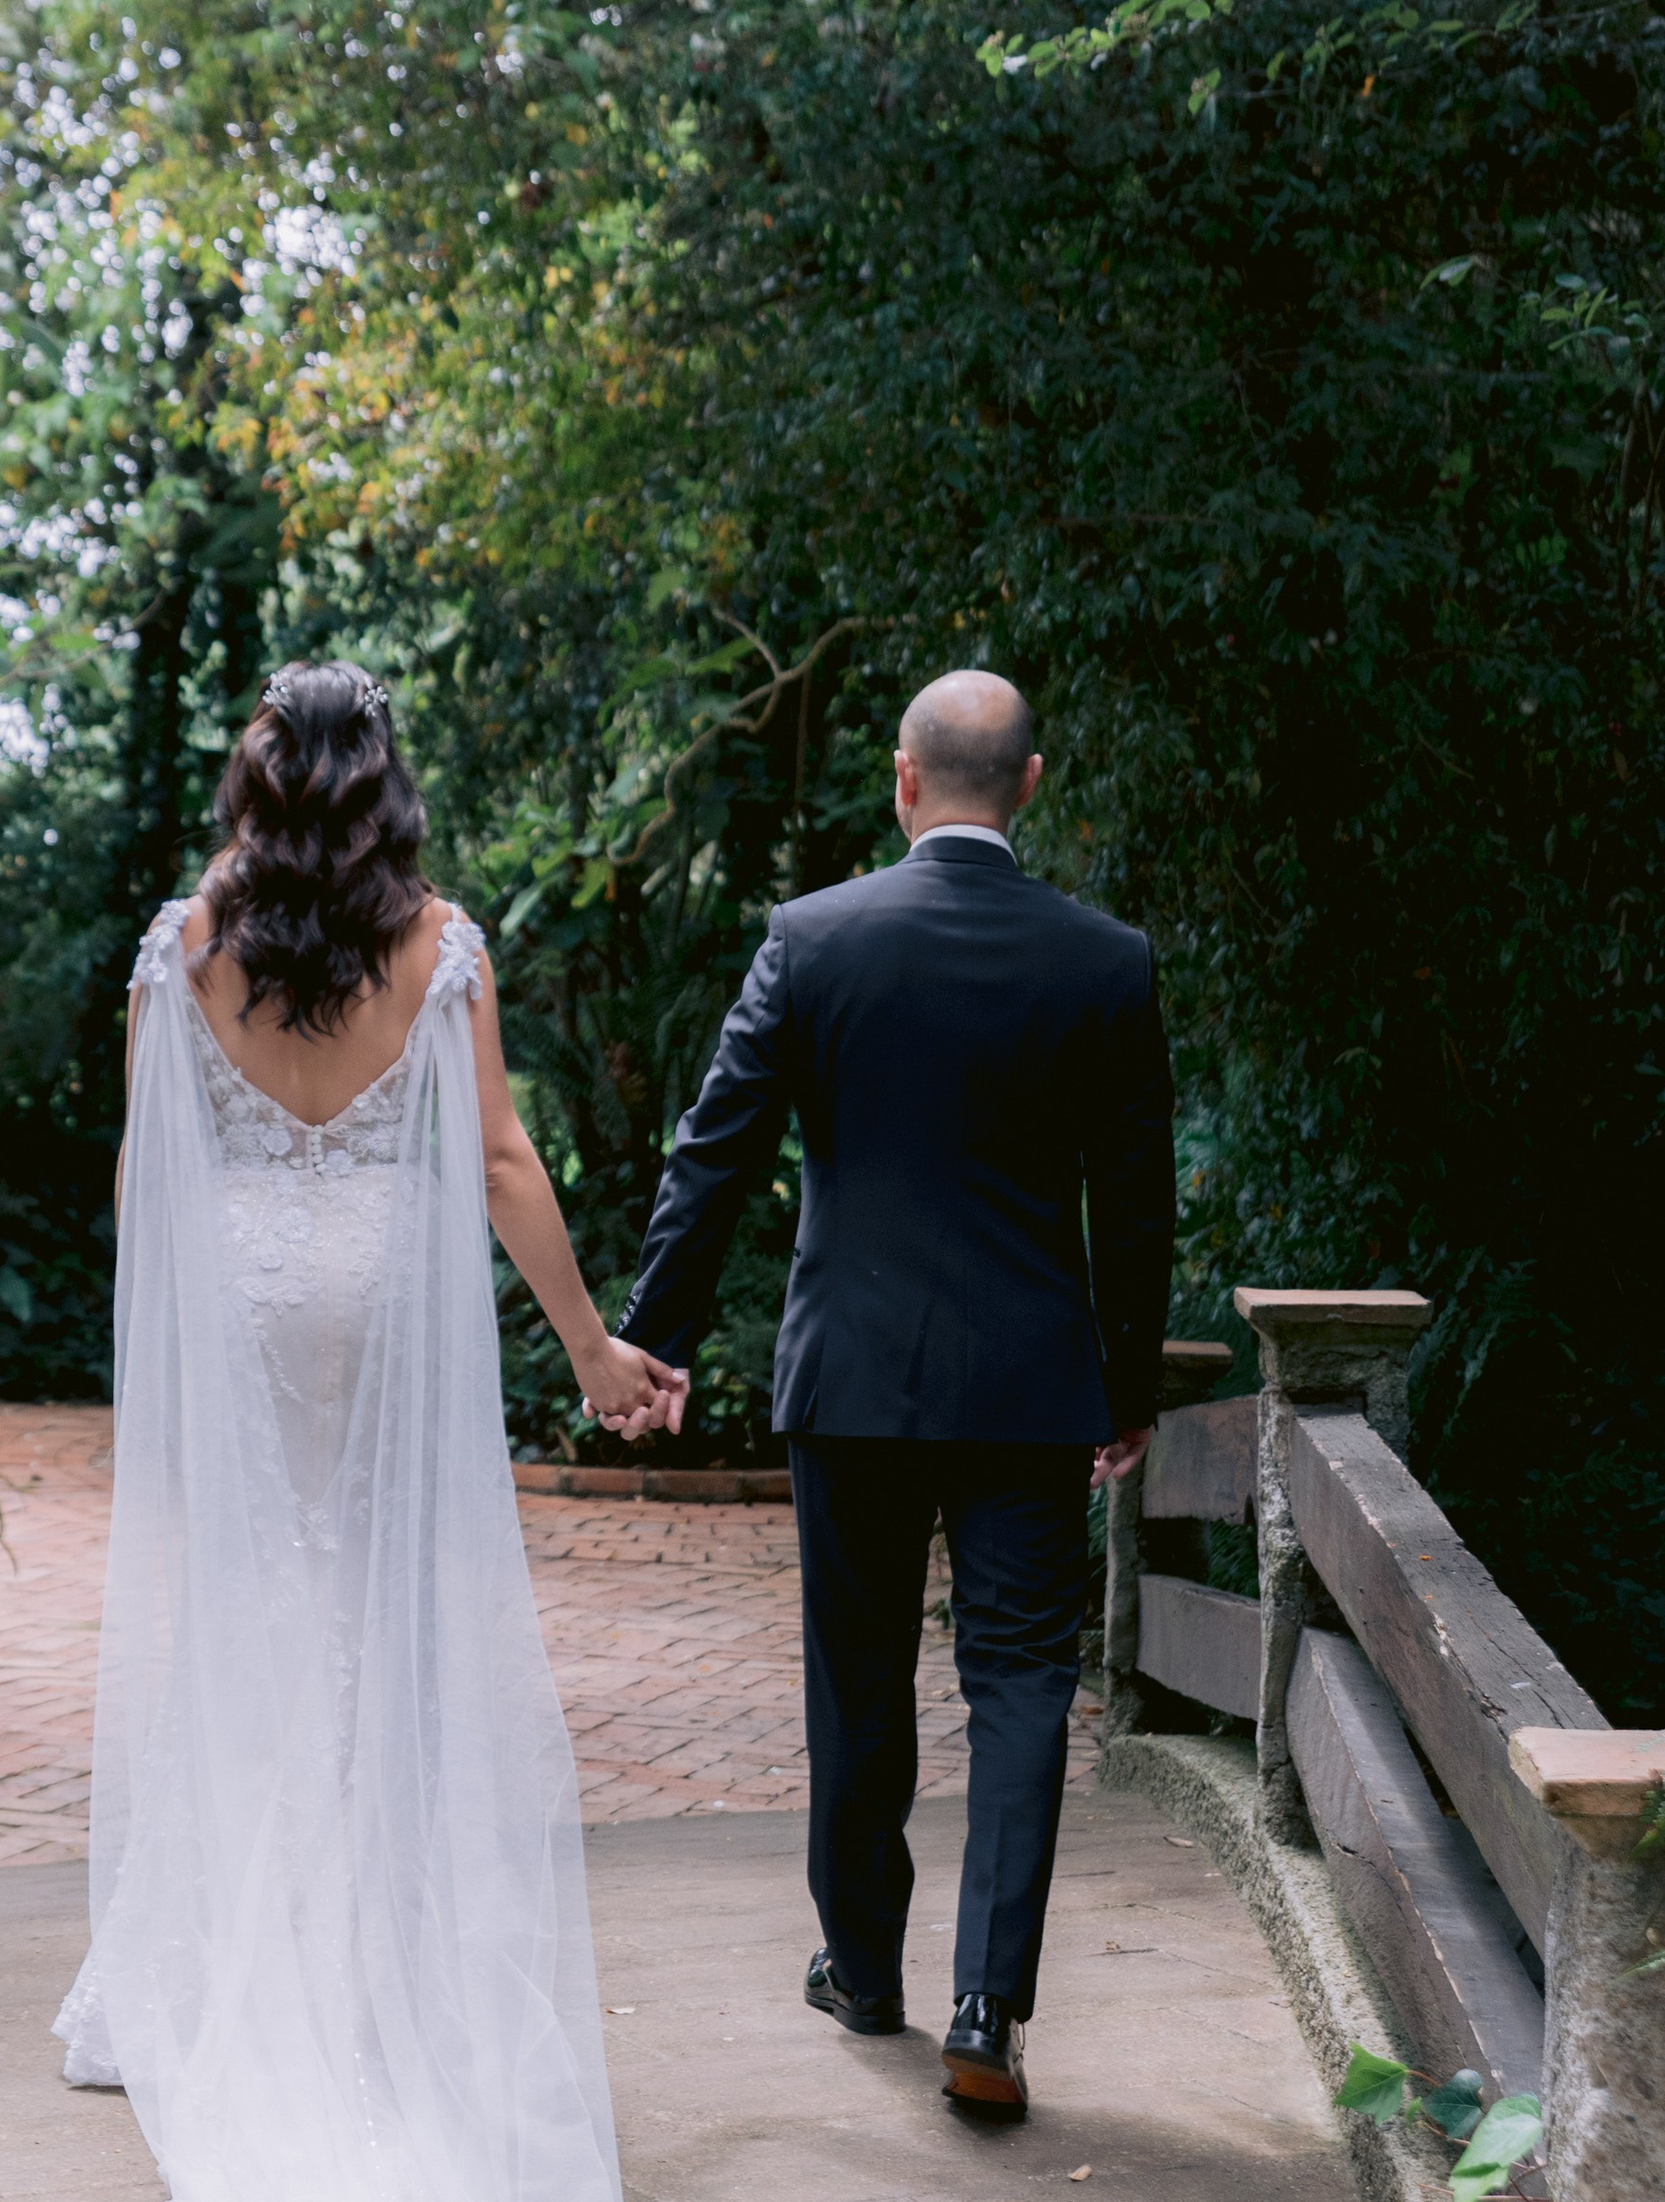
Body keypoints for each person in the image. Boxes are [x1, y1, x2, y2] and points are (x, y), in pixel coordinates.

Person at [57, 660, 686, 2202]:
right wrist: (594, 1347)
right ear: (382, 782)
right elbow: (499, 1160)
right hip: (385, 1313)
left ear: (256, 783)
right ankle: (387, 1961)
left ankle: (247, 1951)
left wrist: (167, 1365)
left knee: (259, 1613)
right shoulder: (438, 942)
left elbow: (149, 1175)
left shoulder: (184, 944)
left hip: (249, 1313)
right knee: (385, 1620)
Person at [614, 670, 1174, 2114]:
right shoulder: (1104, 962)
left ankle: (864, 1969)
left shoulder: (813, 941)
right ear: (1031, 785)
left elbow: (715, 1153)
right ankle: (989, 2006)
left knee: (858, 1680)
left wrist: (648, 1341)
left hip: (852, 1380)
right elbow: (1138, 1200)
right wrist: (1125, 1384)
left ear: (905, 783)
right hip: (1031, 1384)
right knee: (1022, 1689)